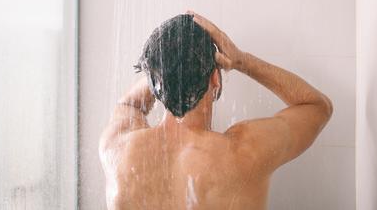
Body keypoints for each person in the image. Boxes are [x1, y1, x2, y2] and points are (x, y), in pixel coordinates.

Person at [99, 12, 333, 210]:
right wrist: (242, 61)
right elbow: (317, 106)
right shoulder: (245, 152)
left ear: (153, 81)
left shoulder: (118, 149)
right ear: (215, 78)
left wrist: (165, 67)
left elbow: (128, 104)